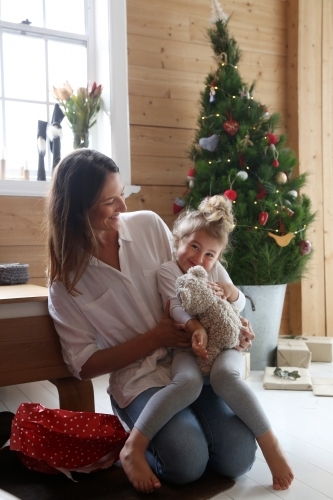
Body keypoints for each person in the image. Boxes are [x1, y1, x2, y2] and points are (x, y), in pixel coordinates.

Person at [46, 149, 256, 494]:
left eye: (122, 194)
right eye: (110, 201)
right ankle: (138, 436)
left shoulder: (147, 226)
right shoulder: (66, 282)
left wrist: (236, 319)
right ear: (77, 209)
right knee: (187, 463)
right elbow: (81, 366)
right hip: (141, 379)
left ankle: (186, 429)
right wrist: (155, 337)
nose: (124, 208)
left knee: (238, 457)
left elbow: (204, 276)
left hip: (194, 363)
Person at [118, 195, 294, 492]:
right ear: (178, 241)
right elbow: (175, 305)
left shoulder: (215, 272)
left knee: (225, 375)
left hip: (225, 346)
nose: (200, 259)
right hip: (187, 348)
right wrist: (195, 327)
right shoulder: (168, 271)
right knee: (187, 382)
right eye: (194, 247)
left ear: (218, 256)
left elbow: (237, 309)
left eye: (210, 254)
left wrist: (232, 293)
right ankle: (134, 446)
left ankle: (270, 444)